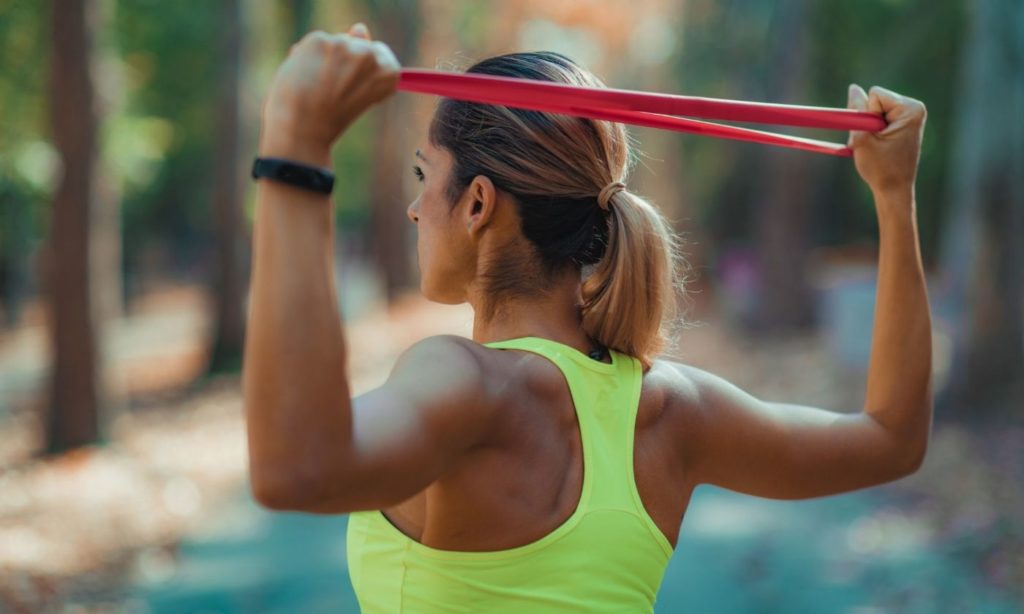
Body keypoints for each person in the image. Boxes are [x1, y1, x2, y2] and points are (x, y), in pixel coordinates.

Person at [243, 22, 932, 613]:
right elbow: (891, 437)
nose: (415, 209)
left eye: (425, 177)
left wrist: (296, 151)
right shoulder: (673, 409)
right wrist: (894, 196)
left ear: (478, 204)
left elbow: (297, 470)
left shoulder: (462, 382)